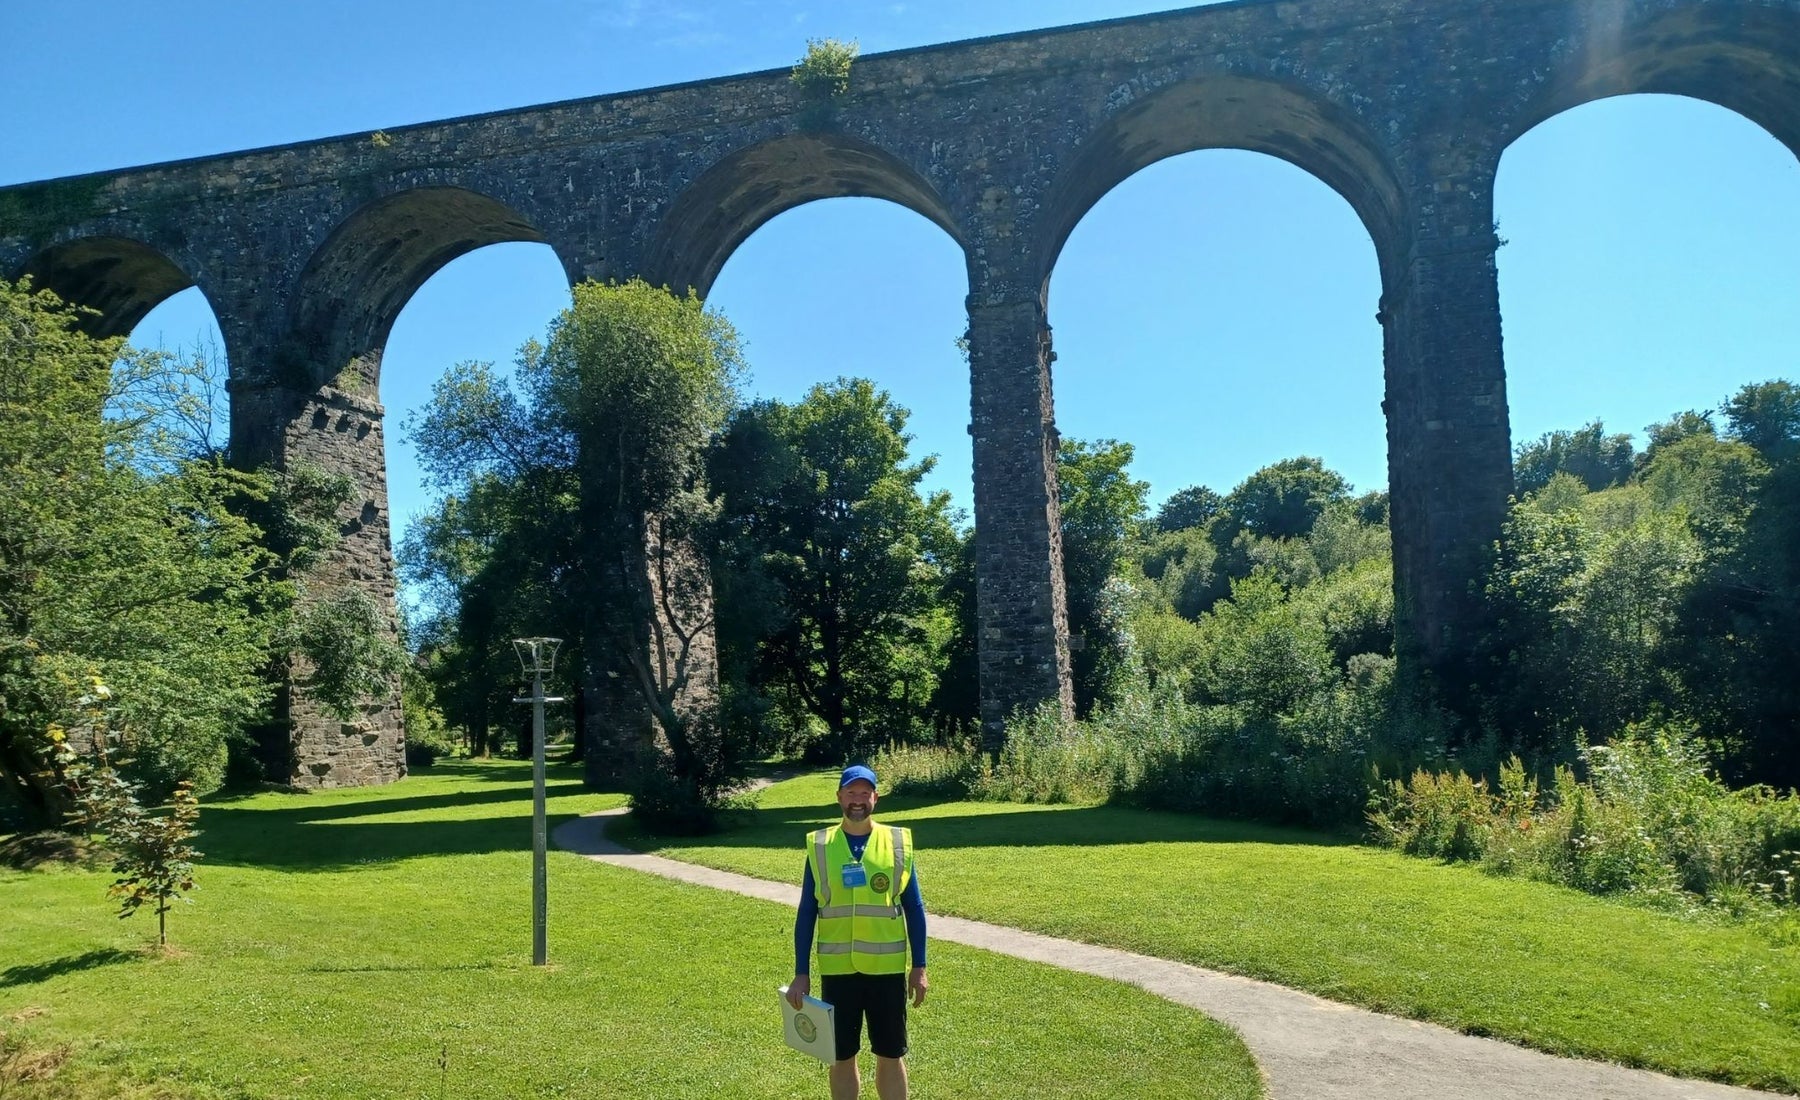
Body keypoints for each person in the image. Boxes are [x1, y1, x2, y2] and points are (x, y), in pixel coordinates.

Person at [788, 764, 928, 1100]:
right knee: (841, 1057)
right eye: (851, 792)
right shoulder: (820, 845)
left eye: (865, 793)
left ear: (875, 798)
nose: (858, 800)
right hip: (838, 972)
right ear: (839, 797)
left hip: (887, 971)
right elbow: (807, 911)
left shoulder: (897, 843)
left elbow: (915, 907)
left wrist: (919, 966)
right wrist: (801, 972)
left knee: (891, 1055)